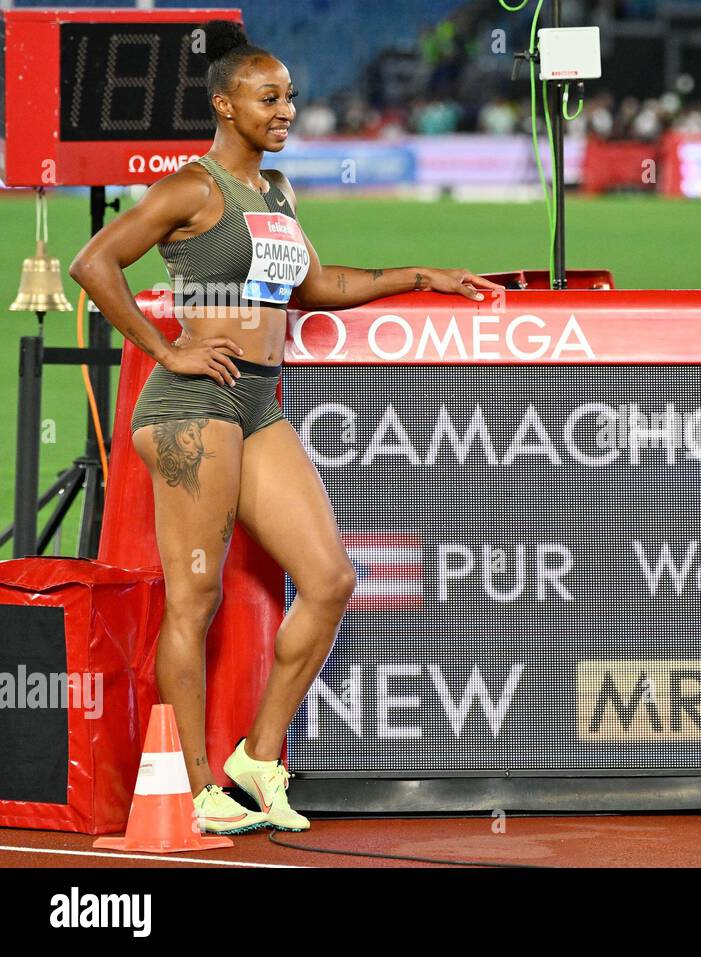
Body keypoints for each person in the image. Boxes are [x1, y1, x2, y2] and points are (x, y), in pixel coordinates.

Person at [68, 20, 503, 834]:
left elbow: (318, 287)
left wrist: (423, 275)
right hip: (192, 406)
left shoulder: (277, 191)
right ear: (225, 104)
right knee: (194, 599)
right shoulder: (192, 188)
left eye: (291, 98)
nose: (287, 111)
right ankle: (199, 789)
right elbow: (93, 263)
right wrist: (169, 347)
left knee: (330, 577)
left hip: (258, 402)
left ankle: (258, 759)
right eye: (269, 98)